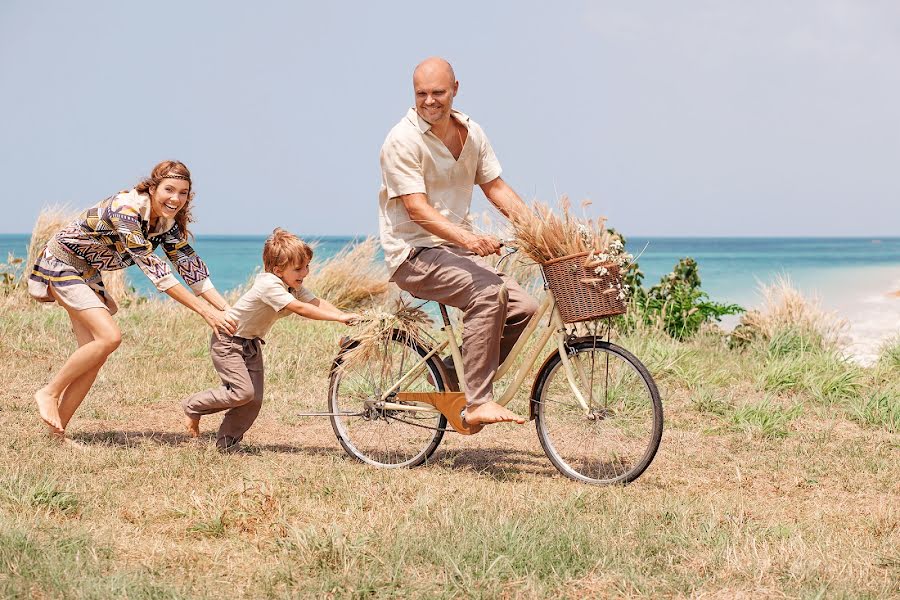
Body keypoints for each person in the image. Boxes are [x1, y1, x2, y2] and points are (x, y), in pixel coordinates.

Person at [378, 57, 539, 427]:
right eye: (421, 94)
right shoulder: (402, 140)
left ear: (455, 89)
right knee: (487, 294)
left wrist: (538, 228)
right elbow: (416, 209)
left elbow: (495, 187)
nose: (430, 101)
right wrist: (468, 238)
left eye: (438, 92)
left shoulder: (472, 133)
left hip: (452, 251)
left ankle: (452, 373)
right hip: (414, 252)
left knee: (525, 309)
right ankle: (477, 401)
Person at [29, 160, 237, 439]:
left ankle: (57, 435)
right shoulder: (126, 210)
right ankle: (49, 392)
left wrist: (227, 309)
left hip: (87, 272)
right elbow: (157, 271)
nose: (176, 198)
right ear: (152, 188)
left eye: (183, 193)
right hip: (63, 264)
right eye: (169, 189)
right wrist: (207, 313)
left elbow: (190, 267)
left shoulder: (166, 223)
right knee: (109, 337)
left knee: (94, 354)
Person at [181, 228, 360, 452]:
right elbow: (300, 309)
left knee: (253, 399)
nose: (305, 272)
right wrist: (340, 317)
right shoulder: (268, 285)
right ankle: (193, 405)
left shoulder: (292, 285)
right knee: (242, 392)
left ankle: (226, 444)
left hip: (250, 344)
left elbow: (315, 302)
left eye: (306, 266)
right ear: (277, 269)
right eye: (298, 268)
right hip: (228, 340)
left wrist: (343, 318)